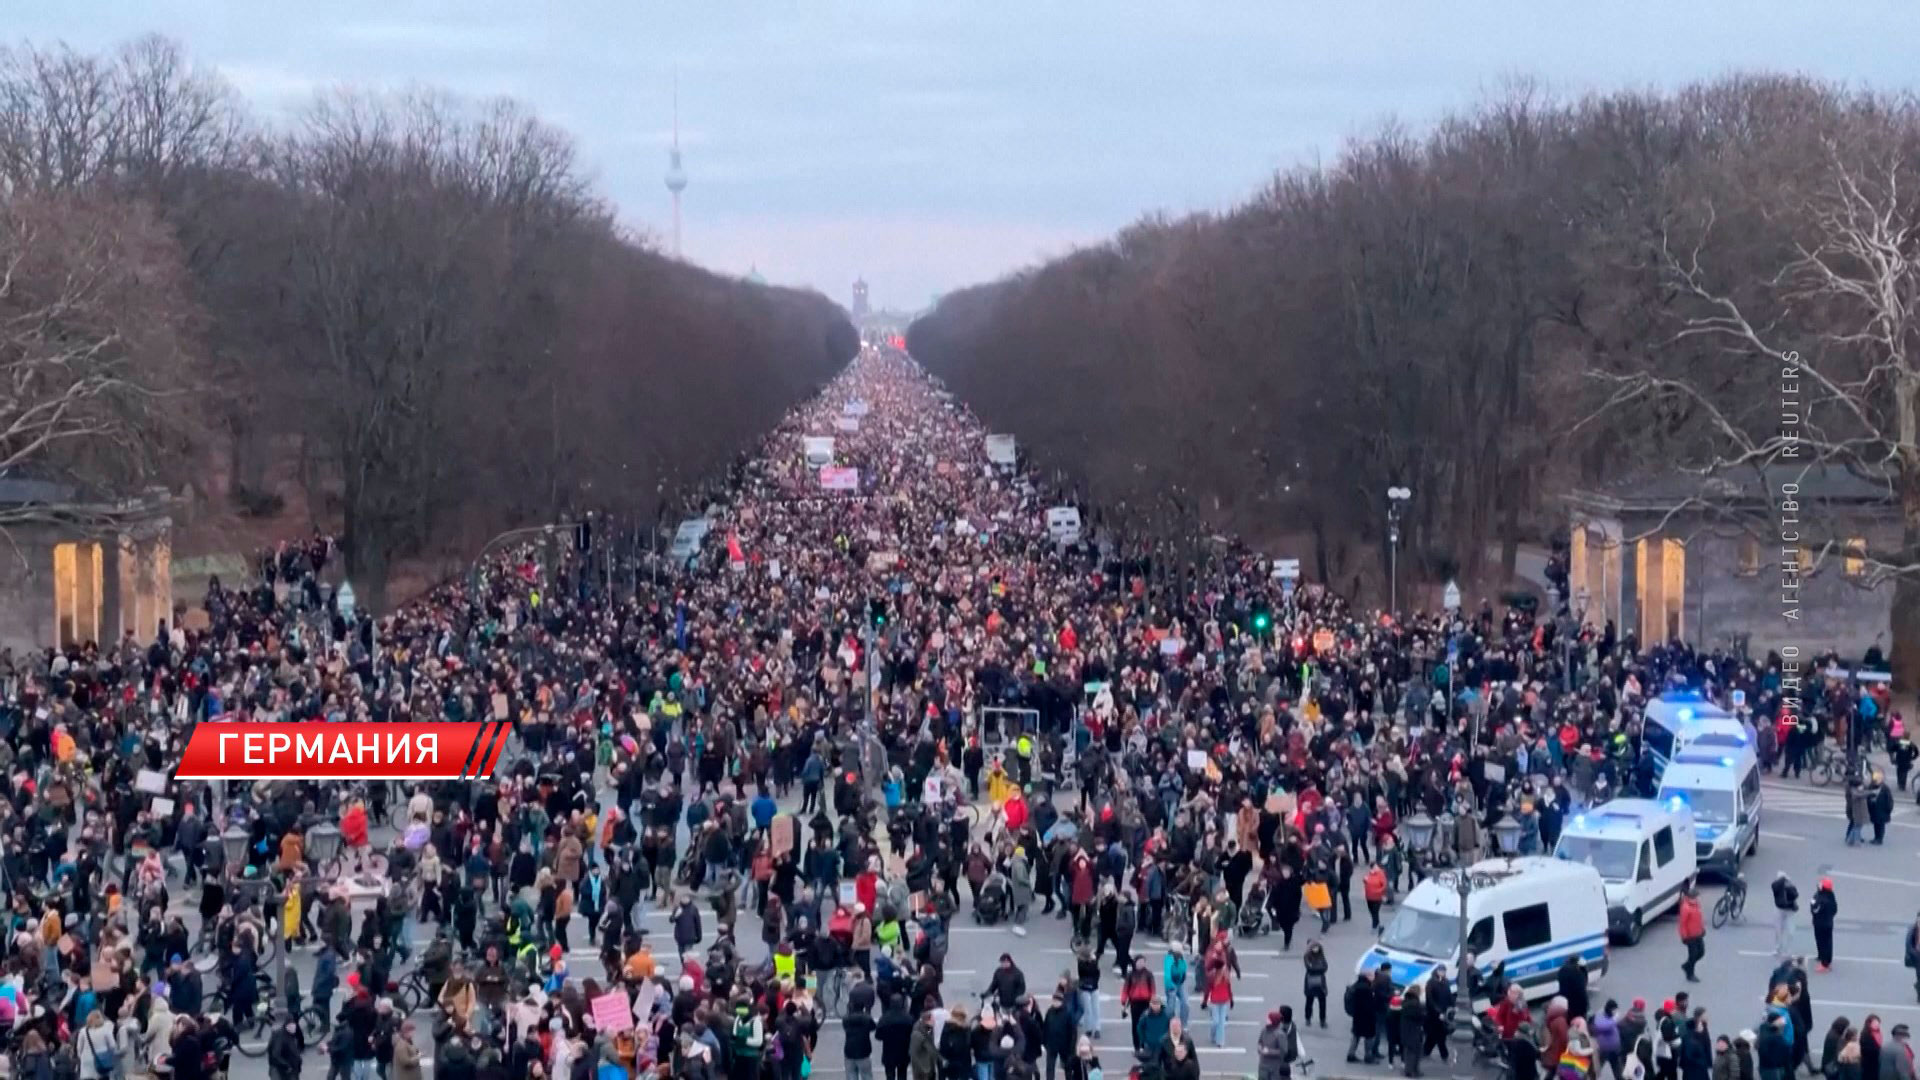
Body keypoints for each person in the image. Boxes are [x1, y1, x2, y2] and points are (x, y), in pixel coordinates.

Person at [1347, 972, 1381, 1065]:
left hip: (1357, 1016)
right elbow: (1370, 1004)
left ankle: (1351, 1054)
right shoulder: (1367, 989)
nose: (1372, 978)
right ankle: (1368, 1056)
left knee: (1356, 1035)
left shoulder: (1355, 987)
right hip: (1367, 1017)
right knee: (1369, 1037)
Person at [1259, 1007, 1301, 1080]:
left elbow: (1283, 1051)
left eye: (1269, 1019)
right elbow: (1260, 1042)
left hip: (1275, 1065)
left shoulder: (1280, 1034)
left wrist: (1268, 1051)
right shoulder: (1264, 1030)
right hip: (1263, 1064)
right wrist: (1260, 1048)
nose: (1267, 1020)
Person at [1678, 887, 1707, 983]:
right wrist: (1684, 936)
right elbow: (1682, 923)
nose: (1698, 898)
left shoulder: (1696, 904)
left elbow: (1699, 918)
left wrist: (1702, 929)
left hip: (1698, 933)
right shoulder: (1686, 907)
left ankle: (1687, 965)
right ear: (1691, 897)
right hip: (1690, 936)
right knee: (1693, 955)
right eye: (1696, 896)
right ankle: (1690, 974)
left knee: (1701, 952)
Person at [1812, 879, 1840, 972]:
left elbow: (1815, 910)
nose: (1819, 885)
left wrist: (1813, 906)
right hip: (1826, 922)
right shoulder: (1830, 895)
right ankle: (1821, 956)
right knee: (1822, 941)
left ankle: (1825, 963)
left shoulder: (1822, 899)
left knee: (1825, 942)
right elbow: (1835, 909)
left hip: (1822, 924)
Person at [1302, 941, 1330, 1029]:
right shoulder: (1307, 956)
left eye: (1317, 947)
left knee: (1322, 1002)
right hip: (1310, 982)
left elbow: (1325, 967)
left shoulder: (1321, 956)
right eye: (1314, 947)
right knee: (1309, 1001)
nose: (1316, 949)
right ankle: (1308, 1018)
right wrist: (1319, 969)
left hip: (1321, 982)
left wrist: (1316, 969)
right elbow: (1309, 968)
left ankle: (1322, 1020)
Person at [1773, 874, 1801, 959]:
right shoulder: (1777, 887)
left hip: (1789, 911)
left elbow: (1795, 895)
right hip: (1780, 910)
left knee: (1790, 931)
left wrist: (1788, 887)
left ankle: (1787, 950)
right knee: (1778, 930)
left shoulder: (1791, 889)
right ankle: (1778, 948)